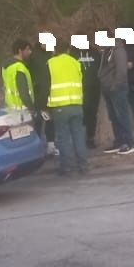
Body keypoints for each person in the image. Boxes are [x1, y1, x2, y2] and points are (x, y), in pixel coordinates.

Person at [47, 39, 90, 176]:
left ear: (55, 50)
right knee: (78, 135)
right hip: (77, 105)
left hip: (60, 106)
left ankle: (67, 167)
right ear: (68, 50)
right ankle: (83, 165)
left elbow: (46, 84)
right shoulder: (75, 62)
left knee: (63, 137)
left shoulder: (51, 63)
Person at [97, 30, 134, 154]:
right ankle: (119, 141)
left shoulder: (118, 50)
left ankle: (128, 142)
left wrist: (115, 85)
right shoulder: (105, 51)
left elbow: (121, 71)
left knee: (122, 115)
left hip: (117, 88)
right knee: (113, 116)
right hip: (107, 88)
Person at [1, 39, 38, 119]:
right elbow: (23, 92)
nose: (30, 52)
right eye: (27, 49)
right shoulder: (19, 68)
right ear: (20, 51)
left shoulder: (7, 67)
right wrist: (32, 108)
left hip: (11, 109)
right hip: (23, 112)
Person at [77, 32, 102, 150]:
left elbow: (100, 68)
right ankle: (80, 139)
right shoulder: (73, 54)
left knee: (91, 115)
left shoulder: (95, 53)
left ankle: (90, 138)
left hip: (93, 89)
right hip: (78, 89)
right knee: (80, 115)